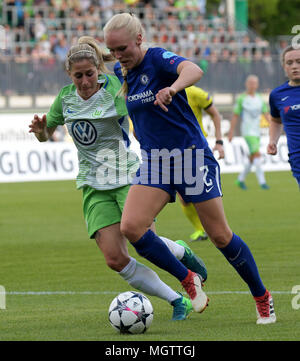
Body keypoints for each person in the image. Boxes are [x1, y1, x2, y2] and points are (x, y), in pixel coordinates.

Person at [103, 12, 276, 324]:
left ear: (139, 39)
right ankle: (187, 278)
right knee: (131, 227)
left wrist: (173, 88)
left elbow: (193, 69)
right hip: (156, 161)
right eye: (113, 51)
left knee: (221, 236)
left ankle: (262, 296)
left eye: (123, 49)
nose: (118, 56)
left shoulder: (156, 59)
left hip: (191, 158)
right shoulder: (120, 70)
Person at [28, 36, 208, 321]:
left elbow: (142, 113)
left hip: (127, 176)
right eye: (78, 76)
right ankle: (178, 300)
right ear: (69, 75)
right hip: (92, 183)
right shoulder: (65, 98)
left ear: (99, 69)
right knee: (114, 258)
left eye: (90, 74)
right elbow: (45, 134)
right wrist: (41, 130)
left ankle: (180, 258)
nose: (85, 81)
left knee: (141, 237)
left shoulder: (115, 89)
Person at [180, 85, 224, 242]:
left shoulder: (195, 92)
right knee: (184, 197)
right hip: (175, 150)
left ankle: (219, 230)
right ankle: (200, 230)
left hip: (196, 148)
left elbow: (216, 115)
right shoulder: (161, 90)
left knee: (204, 193)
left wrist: (219, 141)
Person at [228, 75, 270, 190]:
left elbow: (266, 114)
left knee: (252, 157)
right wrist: (231, 132)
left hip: (257, 131)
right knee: (257, 154)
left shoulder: (259, 98)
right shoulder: (242, 98)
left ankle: (240, 180)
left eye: (254, 83)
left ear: (257, 85)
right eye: (250, 83)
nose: (252, 85)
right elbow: (235, 116)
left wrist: (273, 127)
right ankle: (262, 183)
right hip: (247, 131)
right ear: (246, 84)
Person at [267, 45, 300, 188]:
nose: (294, 66)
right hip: (297, 158)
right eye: (289, 63)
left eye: (299, 61)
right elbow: (275, 120)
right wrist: (273, 140)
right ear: (284, 67)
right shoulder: (277, 95)